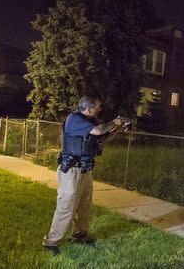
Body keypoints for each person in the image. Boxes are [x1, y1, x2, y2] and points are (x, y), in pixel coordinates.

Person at [42, 96, 126, 255]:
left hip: (85, 170)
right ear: (89, 108)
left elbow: (103, 137)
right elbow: (99, 130)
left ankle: (79, 235)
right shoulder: (74, 120)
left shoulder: (90, 122)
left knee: (84, 206)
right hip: (72, 170)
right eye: (98, 107)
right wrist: (113, 122)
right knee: (66, 206)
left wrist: (118, 128)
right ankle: (50, 242)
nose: (100, 109)